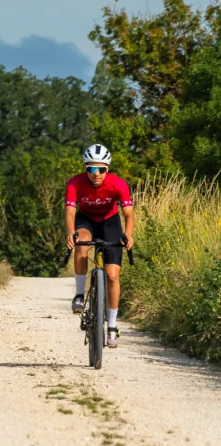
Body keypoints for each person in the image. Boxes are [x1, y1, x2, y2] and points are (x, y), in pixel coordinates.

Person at [65, 144, 134, 349]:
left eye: (101, 169)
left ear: (107, 169)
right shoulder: (75, 183)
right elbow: (69, 212)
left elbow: (129, 214)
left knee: (113, 275)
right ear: (85, 168)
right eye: (91, 169)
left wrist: (128, 236)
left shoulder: (118, 184)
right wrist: (71, 233)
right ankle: (79, 294)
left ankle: (112, 325)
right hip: (85, 220)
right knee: (81, 242)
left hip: (110, 222)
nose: (96, 174)